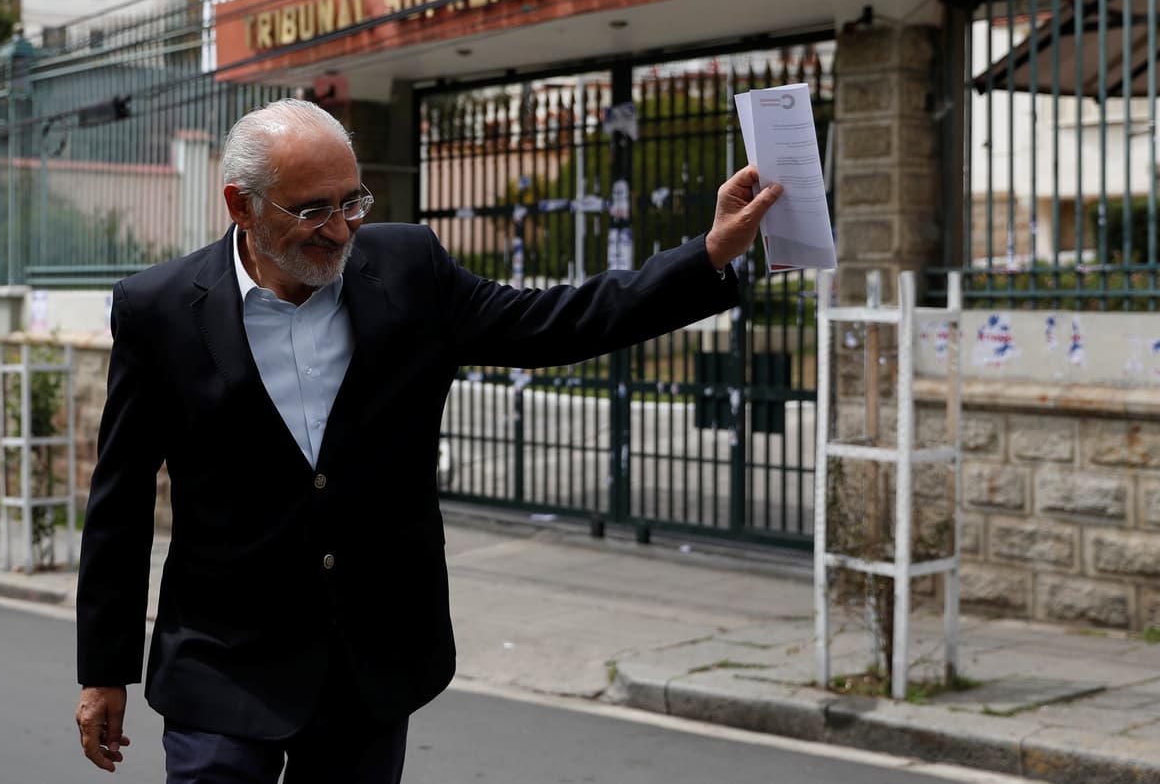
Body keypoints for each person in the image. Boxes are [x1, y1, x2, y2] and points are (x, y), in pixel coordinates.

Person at [75, 98, 782, 783]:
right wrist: (104, 671)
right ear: (242, 205)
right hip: (221, 661)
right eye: (314, 210)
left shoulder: (409, 269)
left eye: (352, 202)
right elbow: (121, 501)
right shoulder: (159, 308)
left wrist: (708, 253)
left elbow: (558, 322)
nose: (341, 229)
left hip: (369, 661)